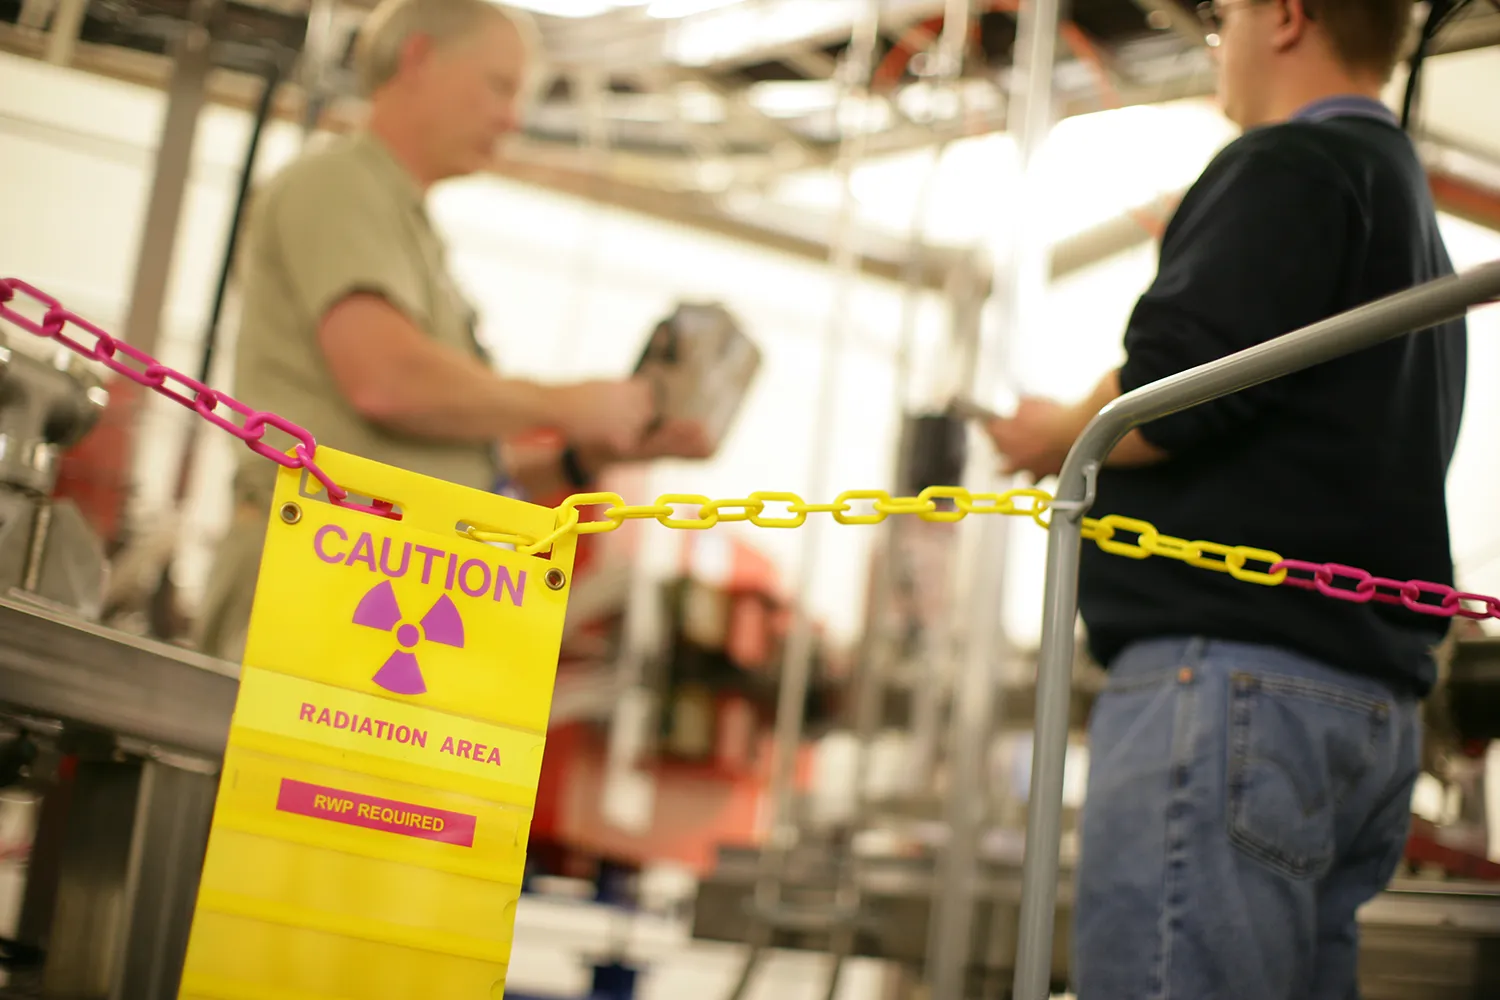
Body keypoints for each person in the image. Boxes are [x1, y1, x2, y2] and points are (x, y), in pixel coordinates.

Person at [985, 1, 1467, 996]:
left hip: (1230, 687)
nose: (1220, 42)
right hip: (1360, 699)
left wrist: (1056, 433)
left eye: (1228, 16)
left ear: (1285, 16)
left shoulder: (1286, 165)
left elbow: (1170, 398)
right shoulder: (1401, 203)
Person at [196, 0, 708, 660]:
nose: (514, 119)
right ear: (417, 60)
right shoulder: (336, 185)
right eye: (500, 86)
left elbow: (425, 458)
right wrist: (565, 403)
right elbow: (386, 383)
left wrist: (586, 456)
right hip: (320, 581)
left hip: (369, 585)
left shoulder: (404, 226)